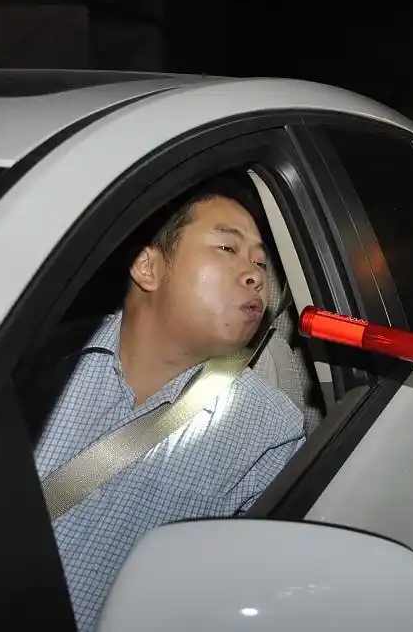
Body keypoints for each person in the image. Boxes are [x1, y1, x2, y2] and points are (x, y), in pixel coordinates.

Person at [34, 177, 306, 631]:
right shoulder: (32, 361)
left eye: (260, 261)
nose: (256, 273)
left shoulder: (268, 432)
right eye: (227, 249)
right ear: (148, 268)